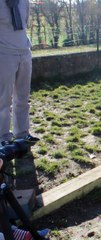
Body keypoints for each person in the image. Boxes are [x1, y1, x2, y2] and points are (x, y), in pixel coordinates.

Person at [0, 0, 39, 146]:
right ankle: (3, 139)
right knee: (3, 100)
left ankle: (22, 134)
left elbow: (24, 23)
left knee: (23, 97)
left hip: (24, 52)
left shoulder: (24, 2)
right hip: (3, 53)